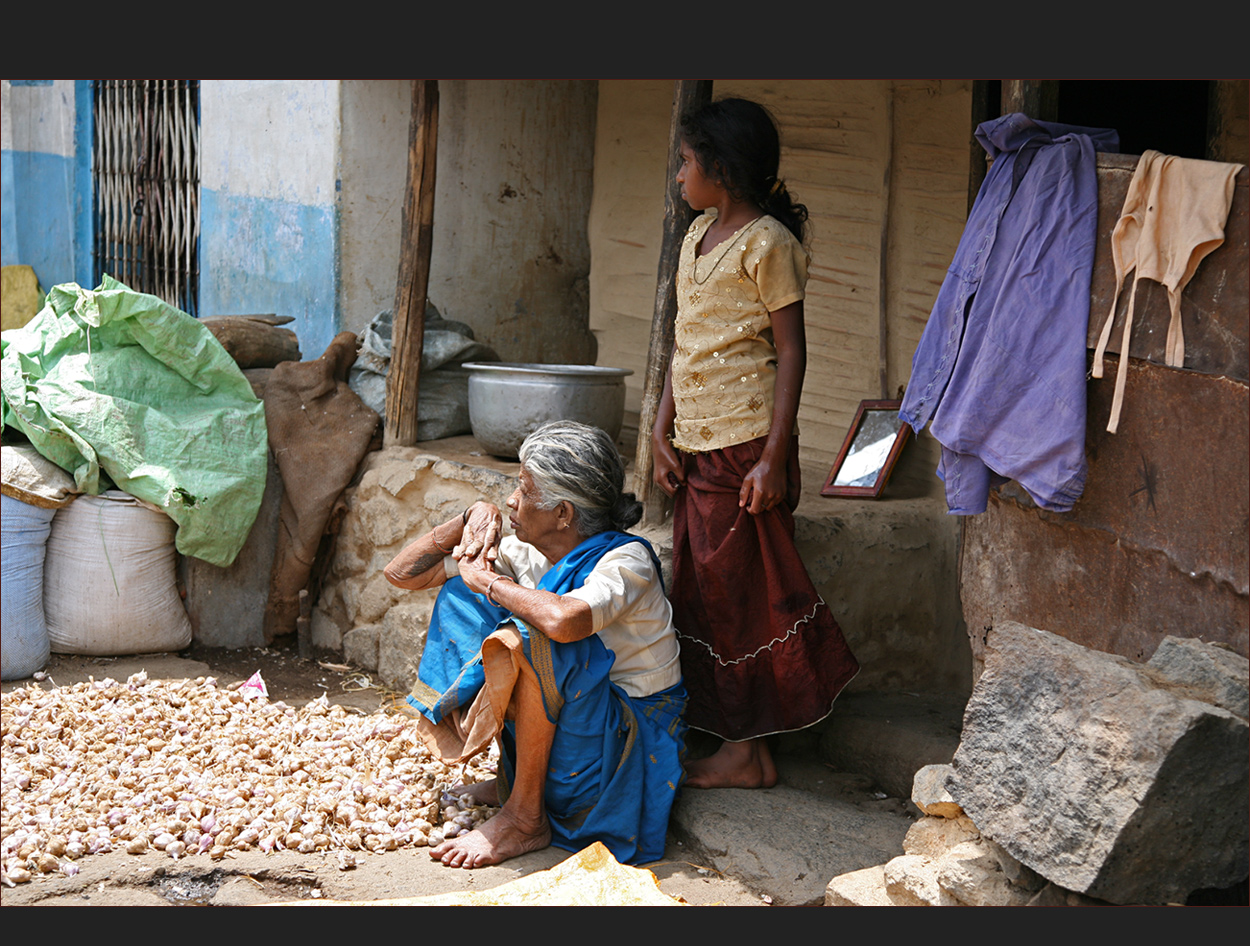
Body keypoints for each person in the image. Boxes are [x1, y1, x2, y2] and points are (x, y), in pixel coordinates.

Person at [652, 97, 860, 790]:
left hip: (745, 448)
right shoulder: (696, 236)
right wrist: (660, 427)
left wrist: (774, 457)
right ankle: (749, 748)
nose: (679, 175)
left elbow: (791, 352)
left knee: (743, 597)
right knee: (708, 593)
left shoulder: (769, 244)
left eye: (686, 163)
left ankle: (744, 751)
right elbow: (686, 344)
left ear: (722, 169)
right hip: (696, 445)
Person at [384, 421, 686, 869]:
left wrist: (489, 581)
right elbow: (402, 575)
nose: (511, 501)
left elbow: (564, 620)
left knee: (536, 636)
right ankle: (515, 782)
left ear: (562, 513)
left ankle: (525, 818)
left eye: (523, 490)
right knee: (470, 598)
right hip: (580, 733)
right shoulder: (528, 553)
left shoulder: (626, 561)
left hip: (620, 749)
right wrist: (468, 519)